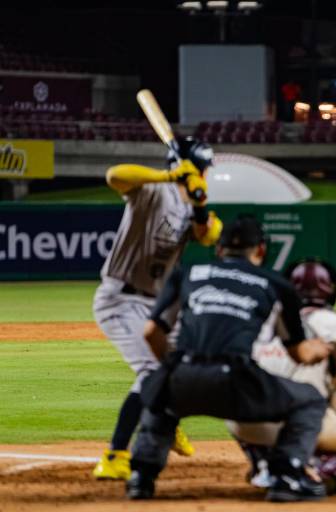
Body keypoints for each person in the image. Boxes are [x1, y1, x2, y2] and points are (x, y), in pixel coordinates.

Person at [127, 216, 332, 502]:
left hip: (185, 374)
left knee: (160, 391)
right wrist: (322, 349)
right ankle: (287, 474)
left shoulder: (187, 273)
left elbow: (151, 332)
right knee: (310, 400)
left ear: (219, 249)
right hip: (237, 383)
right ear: (260, 250)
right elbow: (300, 353)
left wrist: (174, 369)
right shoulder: (276, 284)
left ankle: (141, 477)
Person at [91, 137, 223, 480]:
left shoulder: (194, 204)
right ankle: (115, 456)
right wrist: (169, 176)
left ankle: (166, 417)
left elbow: (208, 235)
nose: (207, 176)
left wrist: (199, 202)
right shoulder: (151, 191)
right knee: (151, 371)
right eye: (205, 170)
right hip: (121, 299)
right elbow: (114, 175)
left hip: (158, 304)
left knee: (184, 364)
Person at [225, 259, 336, 494]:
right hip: (297, 419)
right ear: (332, 291)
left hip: (240, 419)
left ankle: (264, 463)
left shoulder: (262, 321)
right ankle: (300, 471)